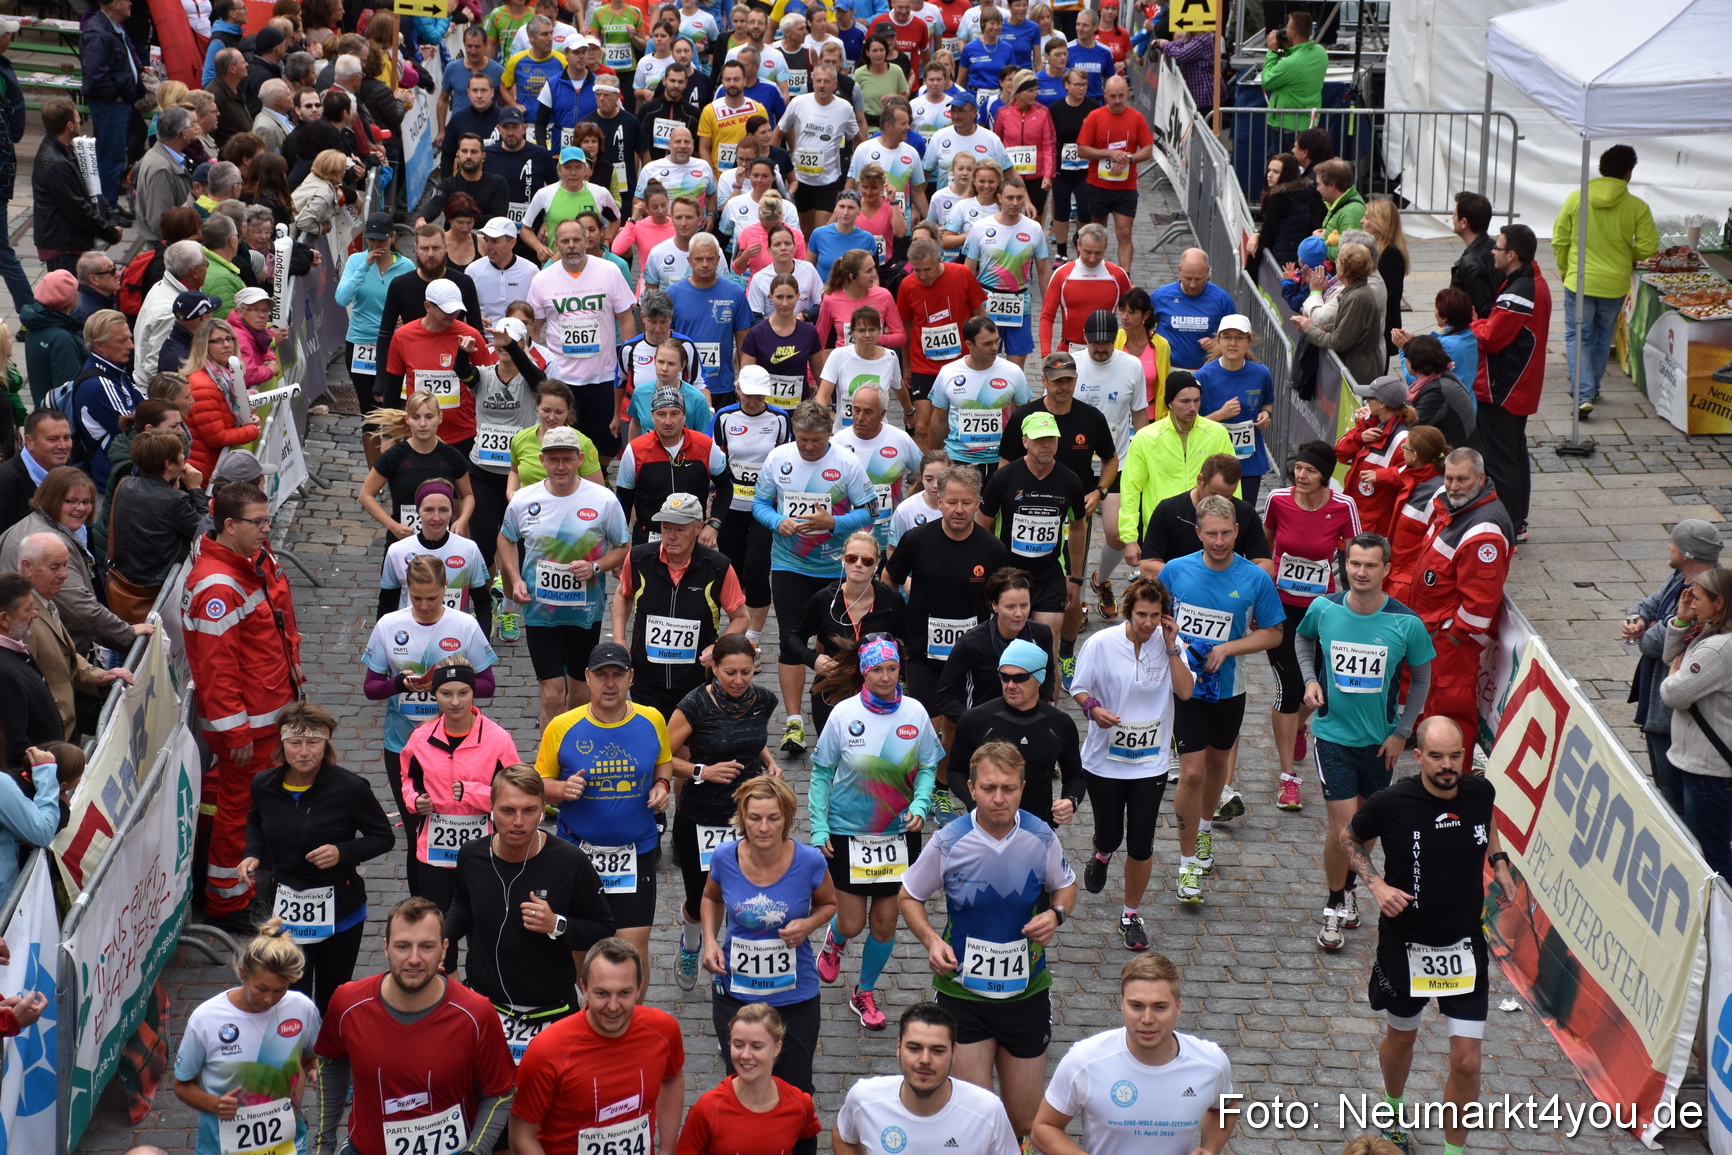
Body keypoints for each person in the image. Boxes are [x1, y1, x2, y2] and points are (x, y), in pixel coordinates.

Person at [1341, 716, 1516, 1155]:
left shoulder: (1479, 791)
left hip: (1463, 943)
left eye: (1455, 755)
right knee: (1402, 1036)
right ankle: (1394, 1111)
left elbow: (1487, 820)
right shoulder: (1392, 802)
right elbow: (1348, 837)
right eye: (1436, 756)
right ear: (1418, 757)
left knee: (1468, 1060)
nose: (1446, 764)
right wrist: (1377, 885)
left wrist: (1499, 862)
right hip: (1406, 941)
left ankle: (1453, 1151)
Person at [897, 738, 1074, 1140]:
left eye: (1008, 788)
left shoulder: (1040, 836)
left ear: (1022, 788)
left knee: (1025, 1122)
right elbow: (909, 895)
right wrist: (930, 940)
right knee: (977, 1119)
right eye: (989, 788)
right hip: (963, 995)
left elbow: (1066, 886)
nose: (999, 798)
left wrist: (1056, 914)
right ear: (972, 789)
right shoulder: (949, 841)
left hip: (1026, 992)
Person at [1297, 532, 1435, 951]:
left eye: (1370, 565)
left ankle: (1351, 886)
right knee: (1343, 827)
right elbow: (1302, 639)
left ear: (1387, 570)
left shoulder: (1405, 624)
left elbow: (1422, 680)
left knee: (1366, 826)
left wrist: (1401, 734)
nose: (1361, 572)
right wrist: (1309, 679)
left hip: (1379, 744)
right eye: (1355, 563)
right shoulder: (1324, 609)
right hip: (1332, 736)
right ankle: (1335, 905)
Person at [310, 897, 517, 1155]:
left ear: (444, 949)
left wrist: (475, 1151)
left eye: (427, 947)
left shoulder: (476, 1013)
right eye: (403, 946)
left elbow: (501, 1093)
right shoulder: (348, 1003)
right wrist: (324, 1146)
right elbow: (331, 1063)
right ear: (385, 947)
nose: (414, 958)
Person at [182, 481, 302, 928]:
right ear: (229, 525)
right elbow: (217, 672)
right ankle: (228, 899)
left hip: (268, 712)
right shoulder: (217, 587)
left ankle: (243, 882)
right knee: (240, 809)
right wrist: (235, 734)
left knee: (252, 805)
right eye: (259, 522)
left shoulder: (248, 560)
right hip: (248, 726)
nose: (266, 530)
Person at [810, 635, 942, 1030]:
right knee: (852, 923)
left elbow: (928, 768)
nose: (886, 677)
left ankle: (863, 992)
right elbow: (820, 774)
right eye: (877, 670)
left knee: (884, 924)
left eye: (892, 669)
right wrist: (818, 828)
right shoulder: (843, 714)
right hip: (848, 832)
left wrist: (920, 804)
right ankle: (834, 942)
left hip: (898, 835)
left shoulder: (915, 713)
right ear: (864, 672)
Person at [445, 763, 615, 1065]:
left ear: (543, 809)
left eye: (530, 810)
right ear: (491, 808)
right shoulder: (471, 855)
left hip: (549, 1012)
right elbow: (463, 902)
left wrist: (557, 925)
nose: (519, 822)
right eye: (508, 811)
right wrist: (443, 935)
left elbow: (603, 928)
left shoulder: (570, 862)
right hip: (486, 1007)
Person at [1160, 496, 1284, 904]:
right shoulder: (1176, 571)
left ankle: (1206, 830)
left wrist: (1229, 648)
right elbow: (1151, 616)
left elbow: (1273, 633)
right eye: (1210, 533)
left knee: (1216, 766)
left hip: (1229, 688)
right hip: (1185, 687)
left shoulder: (1254, 579)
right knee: (1191, 772)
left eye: (1226, 533)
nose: (1218, 541)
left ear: (1237, 532)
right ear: (1198, 533)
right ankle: (1186, 862)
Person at [237, 702, 393, 1014]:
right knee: (288, 995)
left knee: (332, 999)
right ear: (282, 745)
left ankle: (329, 1060)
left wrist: (342, 852)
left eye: (313, 742)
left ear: (326, 745)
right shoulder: (264, 785)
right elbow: (255, 822)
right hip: (284, 909)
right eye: (295, 743)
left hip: (339, 910)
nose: (304, 752)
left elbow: (383, 837)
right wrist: (252, 853)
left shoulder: (350, 788)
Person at [697, 774, 834, 1125]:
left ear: (787, 819)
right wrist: (710, 940)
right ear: (742, 818)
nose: (763, 827)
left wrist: (808, 924)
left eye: (773, 818)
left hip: (795, 995)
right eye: (754, 818)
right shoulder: (725, 856)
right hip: (736, 992)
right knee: (741, 1080)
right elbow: (711, 897)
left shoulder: (810, 861)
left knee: (796, 1086)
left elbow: (829, 904)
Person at [363, 555, 499, 896]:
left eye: (432, 598)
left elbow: (488, 685)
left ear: (446, 591)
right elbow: (370, 688)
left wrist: (444, 686)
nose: (424, 606)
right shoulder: (389, 626)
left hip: (461, 746)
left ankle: (467, 902)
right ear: (407, 590)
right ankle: (422, 908)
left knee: (464, 825)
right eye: (416, 597)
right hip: (405, 746)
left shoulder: (464, 626)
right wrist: (399, 684)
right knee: (416, 831)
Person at [535, 642, 673, 976]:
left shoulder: (652, 719)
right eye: (601, 675)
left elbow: (664, 762)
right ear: (587, 678)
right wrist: (563, 790)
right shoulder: (562, 726)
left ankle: (629, 1023)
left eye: (617, 674)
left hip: (635, 850)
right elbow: (537, 785)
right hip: (577, 855)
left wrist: (662, 786)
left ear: (631, 678)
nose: (609, 683)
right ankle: (592, 1014)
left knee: (633, 951)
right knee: (582, 947)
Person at [753, 399, 878, 752]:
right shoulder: (779, 459)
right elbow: (760, 505)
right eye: (803, 439)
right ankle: (793, 723)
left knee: (831, 643)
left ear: (829, 434)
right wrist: (778, 522)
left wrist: (834, 523)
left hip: (834, 567)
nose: (809, 446)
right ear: (794, 433)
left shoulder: (846, 462)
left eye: (816, 440)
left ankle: (833, 712)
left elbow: (871, 511)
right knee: (791, 639)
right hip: (789, 565)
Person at [1031, 954, 1236, 1155]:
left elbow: (1227, 1108)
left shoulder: (1212, 1063)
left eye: (1159, 1007)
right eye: (1136, 1006)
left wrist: (1210, 1149)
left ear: (1178, 1007)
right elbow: (1043, 1128)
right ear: (1122, 1003)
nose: (1147, 1019)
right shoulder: (1085, 1061)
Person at [499, 426, 632, 726]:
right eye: (554, 459)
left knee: (580, 694)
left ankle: (572, 753)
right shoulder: (523, 499)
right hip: (540, 611)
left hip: (584, 612)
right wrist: (516, 579)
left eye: (567, 459)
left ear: (579, 459)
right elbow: (505, 538)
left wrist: (596, 566)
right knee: (551, 695)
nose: (561, 466)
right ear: (542, 460)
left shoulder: (603, 500)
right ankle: (546, 764)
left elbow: (624, 547)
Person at [507, 937, 684, 1154]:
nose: (613, 1006)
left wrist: (667, 1149)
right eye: (602, 993)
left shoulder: (663, 1030)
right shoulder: (547, 1050)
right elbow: (520, 1135)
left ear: (640, 988)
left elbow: (672, 1077)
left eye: (624, 993)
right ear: (585, 988)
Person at [399, 662, 522, 971]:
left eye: (463, 693)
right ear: (434, 695)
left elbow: (517, 794)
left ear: (473, 693)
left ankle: (483, 1000)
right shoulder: (420, 738)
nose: (455, 702)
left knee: (485, 928)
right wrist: (417, 801)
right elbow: (408, 781)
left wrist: (472, 793)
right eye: (446, 693)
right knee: (439, 930)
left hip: (484, 851)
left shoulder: (498, 739)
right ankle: (447, 1000)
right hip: (435, 853)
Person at [1258, 441, 1360, 813]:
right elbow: (1262, 552)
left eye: (1310, 471)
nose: (1301, 476)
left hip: (1324, 610)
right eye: (1298, 468)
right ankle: (1288, 780)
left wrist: (1357, 609)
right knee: (1291, 687)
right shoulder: (1278, 500)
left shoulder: (1343, 506)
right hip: (1282, 609)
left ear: (1325, 475)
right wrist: (1259, 599)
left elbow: (1355, 558)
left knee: (1322, 688)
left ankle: (1300, 725)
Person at [172, 920, 320, 1155]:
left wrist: (313, 1069)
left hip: (288, 1145)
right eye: (261, 989)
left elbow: (310, 1057)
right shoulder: (206, 1019)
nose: (270, 999)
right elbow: (181, 1086)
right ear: (243, 973)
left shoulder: (301, 1008)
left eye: (280, 990)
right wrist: (216, 1104)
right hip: (222, 1147)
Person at [1399, 448, 1512, 753]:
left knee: (1451, 712)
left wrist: (1452, 636)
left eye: (1462, 479)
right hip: (1437, 632)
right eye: (1449, 478)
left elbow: (1479, 603)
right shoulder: (1457, 509)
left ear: (1481, 478)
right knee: (1436, 704)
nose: (1454, 486)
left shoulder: (1483, 530)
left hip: (1453, 643)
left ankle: (1451, 782)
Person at [613, 490, 747, 720]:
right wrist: (618, 638)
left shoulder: (717, 566)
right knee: (654, 744)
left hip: (695, 679)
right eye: (666, 528)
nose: (671, 536)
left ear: (697, 528)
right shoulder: (639, 558)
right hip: (646, 676)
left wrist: (717, 647)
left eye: (680, 529)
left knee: (687, 748)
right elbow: (623, 593)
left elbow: (742, 617)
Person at [1552, 144, 1659, 416]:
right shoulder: (1638, 206)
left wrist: (1566, 269)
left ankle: (1583, 394)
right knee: (1601, 338)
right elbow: (1648, 248)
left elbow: (1560, 240)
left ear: (1601, 168)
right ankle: (1592, 389)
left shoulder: (1577, 198)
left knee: (1578, 336)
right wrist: (1626, 254)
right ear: (1628, 173)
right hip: (1614, 284)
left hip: (1580, 280)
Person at [832, 1002, 1019, 1155]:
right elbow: (844, 1137)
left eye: (937, 1051)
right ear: (898, 1047)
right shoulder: (864, 1098)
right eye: (914, 1048)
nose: (925, 1060)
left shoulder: (987, 1111)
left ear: (954, 1053)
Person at [1627, 520, 1721, 818]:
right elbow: (1650, 603)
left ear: (1688, 553)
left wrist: (1656, 629)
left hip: (1671, 714)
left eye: (1674, 544)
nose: (1669, 546)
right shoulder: (1679, 579)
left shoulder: (1700, 596)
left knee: (1674, 799)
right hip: (1658, 701)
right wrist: (1640, 619)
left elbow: (1654, 646)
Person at [527, 217, 640, 462]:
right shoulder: (542, 279)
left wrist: (628, 361)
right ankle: (580, 481)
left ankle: (596, 476)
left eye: (576, 239)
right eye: (565, 241)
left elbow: (626, 318)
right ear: (556, 244)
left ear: (586, 240)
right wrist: (538, 367)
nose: (571, 245)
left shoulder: (608, 271)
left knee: (610, 440)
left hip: (605, 374)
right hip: (563, 378)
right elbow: (534, 329)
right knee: (568, 438)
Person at [1468, 223, 1549, 542]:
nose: (1492, 252)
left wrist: (1474, 323)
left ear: (1512, 255)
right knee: (1514, 454)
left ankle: (1508, 525)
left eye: (1498, 248)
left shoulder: (1520, 290)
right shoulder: (1527, 279)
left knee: (1502, 460)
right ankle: (1517, 520)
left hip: (1505, 387)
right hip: (1517, 384)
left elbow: (1491, 337)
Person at [17, 533, 129, 741]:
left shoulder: (46, 601)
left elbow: (62, 654)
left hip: (64, 736)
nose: (64, 575)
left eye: (65, 566)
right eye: (54, 567)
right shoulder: (23, 617)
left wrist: (97, 676)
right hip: (49, 745)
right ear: (28, 567)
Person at [1118, 372, 1236, 562]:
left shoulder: (1217, 433)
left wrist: (1233, 525)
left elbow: (1232, 483)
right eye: (1185, 401)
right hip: (1162, 528)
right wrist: (1130, 538)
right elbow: (1131, 488)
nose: (1192, 408)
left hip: (1209, 528)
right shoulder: (1146, 437)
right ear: (1170, 402)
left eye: (1197, 401)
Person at [678, 1003, 823, 1155]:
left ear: (777, 1047)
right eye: (738, 1045)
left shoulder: (799, 1104)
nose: (745, 1055)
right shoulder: (707, 1109)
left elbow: (807, 1143)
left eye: (757, 1046)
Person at [358, 395, 476, 550]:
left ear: (439, 418)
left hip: (443, 545)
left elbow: (467, 495)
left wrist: (462, 520)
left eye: (429, 417)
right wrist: (393, 526)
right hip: (403, 542)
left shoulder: (452, 457)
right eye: (416, 417)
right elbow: (365, 494)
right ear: (407, 419)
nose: (422, 424)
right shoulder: (394, 456)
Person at [32, 99, 125, 274]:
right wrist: (109, 232)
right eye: (76, 118)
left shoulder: (61, 151)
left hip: (66, 241)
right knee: (68, 297)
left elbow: (90, 192)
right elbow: (77, 208)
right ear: (69, 125)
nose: (79, 121)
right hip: (63, 246)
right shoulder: (56, 163)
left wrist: (110, 221)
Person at [1194, 314, 1273, 509]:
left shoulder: (1261, 373)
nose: (1232, 343)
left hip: (1249, 461)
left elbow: (1267, 403)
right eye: (1227, 337)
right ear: (1218, 340)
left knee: (1243, 514)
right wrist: (1220, 415)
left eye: (1239, 337)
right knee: (1211, 515)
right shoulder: (1203, 376)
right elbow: (1192, 424)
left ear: (1249, 341)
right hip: (1212, 461)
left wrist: (1266, 414)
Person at [1074, 76, 1150, 270]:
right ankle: (1093, 271)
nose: (1117, 101)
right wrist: (1110, 153)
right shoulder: (1095, 117)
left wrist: (1129, 158)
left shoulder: (1136, 118)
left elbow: (1148, 150)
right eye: (1113, 96)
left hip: (1126, 187)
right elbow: (1082, 149)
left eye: (1121, 96)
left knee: (1124, 233)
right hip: (1098, 186)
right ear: (1105, 95)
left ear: (1127, 94)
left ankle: (1125, 276)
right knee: (1097, 232)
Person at [80, 0, 146, 214]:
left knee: (114, 153)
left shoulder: (113, 27)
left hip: (120, 101)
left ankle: (110, 204)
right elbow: (95, 72)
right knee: (110, 155)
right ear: (115, 4)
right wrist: (115, 95)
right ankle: (106, 207)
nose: (130, 3)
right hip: (110, 104)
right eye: (126, 0)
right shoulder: (98, 32)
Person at [1293, 242, 1387, 387]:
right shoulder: (1355, 291)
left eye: (1338, 260)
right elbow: (1349, 327)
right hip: (1358, 367)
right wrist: (1322, 328)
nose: (1335, 262)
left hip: (1358, 373)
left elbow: (1339, 342)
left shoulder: (1356, 297)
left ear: (1343, 270)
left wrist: (1310, 329)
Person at [1334, 375, 1416, 539]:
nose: (1365, 401)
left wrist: (1381, 476)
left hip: (1373, 526)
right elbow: (1339, 453)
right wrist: (1359, 438)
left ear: (1381, 404)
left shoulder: (1403, 440)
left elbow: (1413, 475)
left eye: (1370, 398)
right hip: (1354, 515)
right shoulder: (1369, 424)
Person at [21, 273, 87, 411]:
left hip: (43, 412)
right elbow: (66, 393)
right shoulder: (62, 340)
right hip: (58, 421)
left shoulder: (37, 324)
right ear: (68, 299)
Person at [0, 411, 73, 533]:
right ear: (29, 442)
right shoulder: (5, 482)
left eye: (66, 438)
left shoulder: (70, 472)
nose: (62, 445)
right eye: (53, 439)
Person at [1260, 10, 1324, 133]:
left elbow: (1266, 81)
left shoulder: (1289, 64)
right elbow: (1299, 56)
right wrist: (1288, 47)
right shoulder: (1320, 52)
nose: (1285, 30)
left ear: (1293, 33)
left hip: (1286, 125)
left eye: (1287, 27)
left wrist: (1272, 51)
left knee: (1284, 153)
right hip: (1308, 122)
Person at [1449, 191, 1498, 321]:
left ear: (1464, 222)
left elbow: (1482, 311)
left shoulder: (1471, 265)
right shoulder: (1494, 247)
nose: (1452, 219)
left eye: (1454, 215)